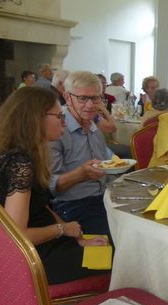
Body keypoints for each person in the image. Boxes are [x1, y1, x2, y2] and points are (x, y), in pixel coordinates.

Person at [0, 86, 108, 285]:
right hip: (36, 258)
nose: (65, 124)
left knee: (108, 247)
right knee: (115, 257)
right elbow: (17, 235)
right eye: (59, 117)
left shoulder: (14, 154)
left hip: (44, 244)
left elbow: (41, 208)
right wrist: (62, 230)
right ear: (36, 119)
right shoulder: (20, 163)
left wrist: (75, 237)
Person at [50, 71, 111, 236]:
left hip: (102, 197)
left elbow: (106, 167)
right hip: (71, 205)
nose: (90, 106)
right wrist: (81, 174)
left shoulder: (94, 127)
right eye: (83, 98)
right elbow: (49, 187)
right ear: (67, 97)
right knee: (114, 241)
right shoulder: (55, 130)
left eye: (95, 98)